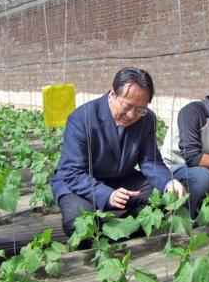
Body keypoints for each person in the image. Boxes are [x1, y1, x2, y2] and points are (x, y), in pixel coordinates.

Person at [52, 67, 185, 237]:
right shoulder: (81, 118)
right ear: (113, 93)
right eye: (127, 106)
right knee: (79, 221)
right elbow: (72, 172)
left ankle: (124, 232)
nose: (131, 115)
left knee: (163, 194)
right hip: (80, 184)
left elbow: (150, 161)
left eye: (139, 109)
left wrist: (168, 182)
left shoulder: (146, 119)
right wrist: (107, 194)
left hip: (119, 180)